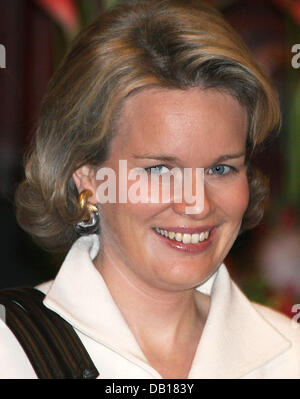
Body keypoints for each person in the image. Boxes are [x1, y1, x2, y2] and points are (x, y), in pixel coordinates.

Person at [1, 0, 299, 379]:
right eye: (159, 169)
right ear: (87, 178)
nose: (196, 203)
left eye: (221, 168)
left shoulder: (289, 356)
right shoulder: (11, 350)